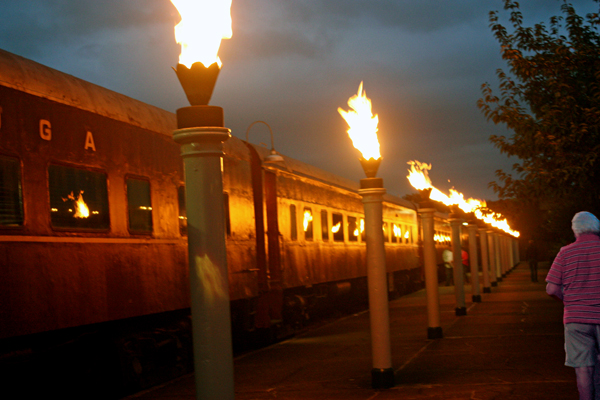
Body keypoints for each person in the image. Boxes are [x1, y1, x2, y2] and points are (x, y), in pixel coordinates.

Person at [546, 211, 600, 400]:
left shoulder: (565, 252)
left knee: (583, 369)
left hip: (576, 319)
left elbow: (551, 289)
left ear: (575, 230)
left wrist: (568, 301)